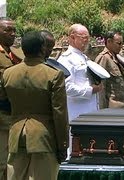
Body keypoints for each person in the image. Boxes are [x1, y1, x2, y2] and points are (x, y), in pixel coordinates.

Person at [1, 31, 68, 180]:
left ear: (22, 49)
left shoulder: (8, 73)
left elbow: (3, 102)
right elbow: (60, 113)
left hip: (16, 135)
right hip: (44, 137)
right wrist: (63, 145)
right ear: (43, 48)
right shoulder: (54, 75)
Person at [57, 24, 102, 160]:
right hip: (76, 111)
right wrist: (90, 90)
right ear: (72, 37)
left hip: (89, 110)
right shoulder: (67, 59)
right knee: (76, 148)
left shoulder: (83, 57)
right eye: (83, 37)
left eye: (88, 38)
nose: (86, 41)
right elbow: (66, 87)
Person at [0, 17, 23, 180]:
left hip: (16, 113)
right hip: (1, 114)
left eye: (14, 30)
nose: (12, 33)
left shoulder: (17, 52)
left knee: (13, 161)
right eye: (7, 30)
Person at [95, 31, 124, 108]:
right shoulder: (104, 58)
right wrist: (102, 110)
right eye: (119, 43)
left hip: (123, 107)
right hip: (112, 108)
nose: (121, 46)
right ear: (109, 42)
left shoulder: (117, 58)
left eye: (122, 43)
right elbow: (100, 87)